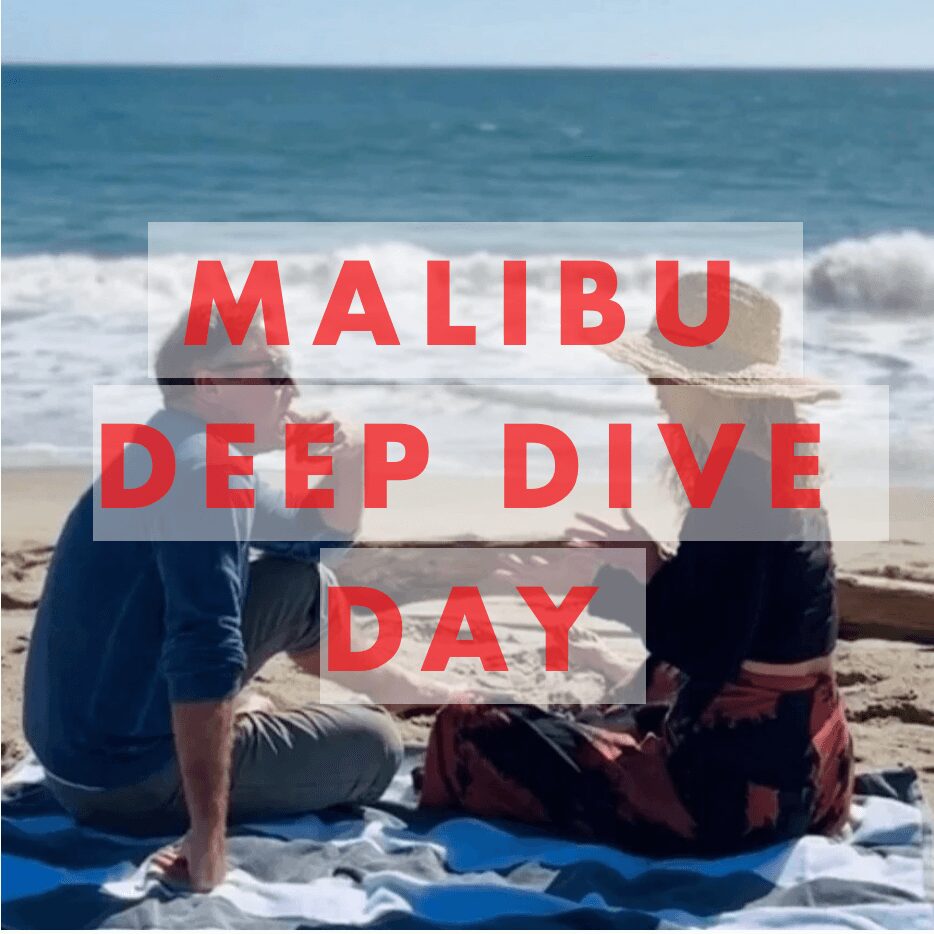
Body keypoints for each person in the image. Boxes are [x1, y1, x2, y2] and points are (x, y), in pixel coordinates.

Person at [418, 274, 855, 856]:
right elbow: (740, 612)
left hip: (731, 795)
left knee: (464, 727)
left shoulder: (735, 490)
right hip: (815, 772)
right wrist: (652, 568)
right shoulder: (779, 473)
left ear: (716, 384)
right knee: (638, 692)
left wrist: (616, 582)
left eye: (665, 369)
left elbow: (702, 645)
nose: (653, 384)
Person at [23, 314, 446, 891]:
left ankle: (405, 691)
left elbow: (318, 537)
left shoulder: (176, 446)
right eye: (274, 374)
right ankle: (219, 768)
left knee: (298, 582)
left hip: (83, 747)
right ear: (210, 385)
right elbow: (204, 650)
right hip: (124, 780)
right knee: (374, 748)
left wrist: (351, 459)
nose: (292, 392)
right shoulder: (205, 474)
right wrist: (207, 837)